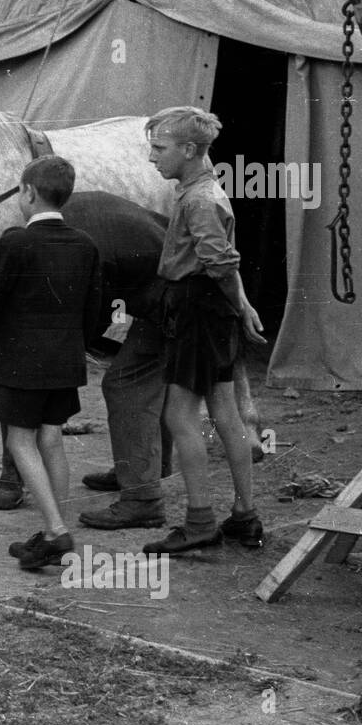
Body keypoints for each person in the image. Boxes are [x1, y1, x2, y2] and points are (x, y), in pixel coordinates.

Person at [0, 156, 104, 571]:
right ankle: (54, 529)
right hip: (63, 364)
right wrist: (72, 346)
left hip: (21, 365)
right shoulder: (85, 244)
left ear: (28, 192)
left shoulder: (16, 242)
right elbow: (95, 312)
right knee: (51, 441)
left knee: (20, 442)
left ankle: (57, 531)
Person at [0, 193, 174, 527]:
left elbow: (91, 313)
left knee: (125, 384)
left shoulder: (78, 247)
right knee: (148, 380)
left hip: (174, 298)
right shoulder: (74, 219)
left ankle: (143, 498)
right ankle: (146, 469)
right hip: (167, 287)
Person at [139, 106, 266, 554]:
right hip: (211, 308)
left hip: (197, 309)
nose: (152, 157)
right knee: (226, 413)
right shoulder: (205, 190)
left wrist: (240, 304)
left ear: (189, 149)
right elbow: (226, 261)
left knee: (179, 415)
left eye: (160, 148)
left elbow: (219, 262)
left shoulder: (198, 199)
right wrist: (242, 306)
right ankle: (244, 516)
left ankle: (199, 524)